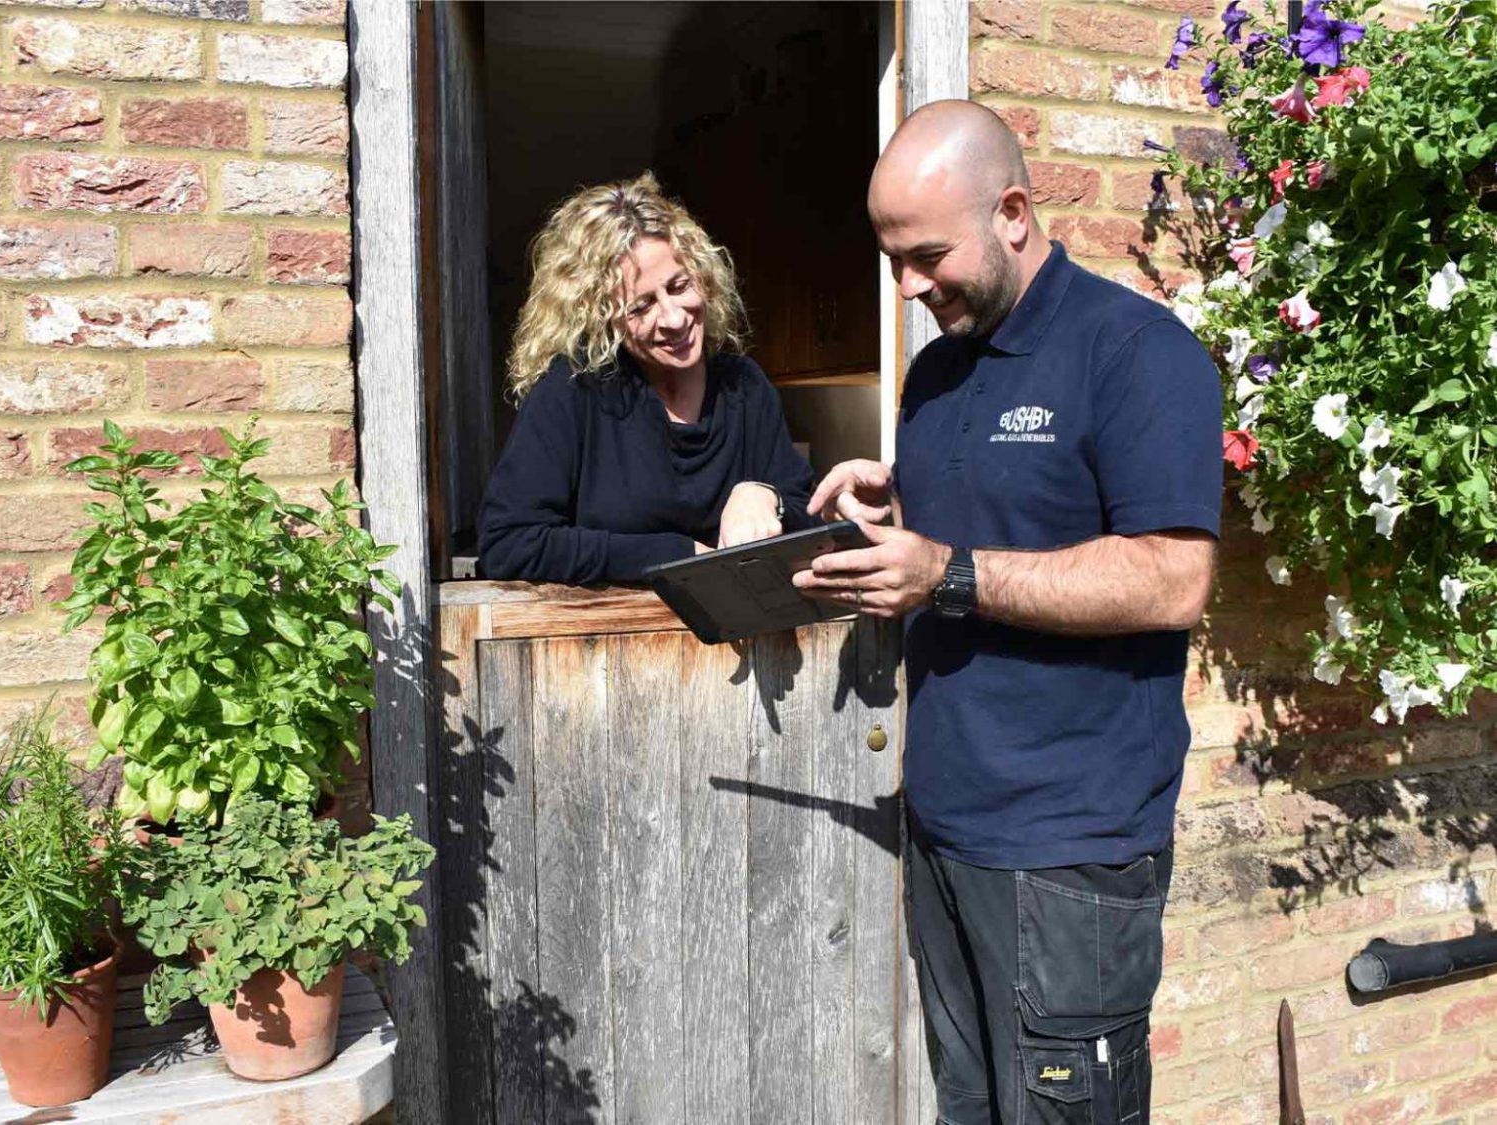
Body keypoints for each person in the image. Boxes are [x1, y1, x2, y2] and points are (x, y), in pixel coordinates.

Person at [794, 100, 1222, 1124]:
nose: (907, 286)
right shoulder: (940, 371)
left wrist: (944, 572)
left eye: (928, 255)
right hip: (946, 835)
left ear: (1016, 212)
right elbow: (1002, 512)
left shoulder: (1137, 354)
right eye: (892, 257)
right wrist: (894, 498)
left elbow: (1172, 578)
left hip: (1070, 848)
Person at [477, 172, 815, 584]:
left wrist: (765, 496)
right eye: (641, 308)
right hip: (607, 644)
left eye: (679, 286)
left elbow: (807, 518)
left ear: (703, 277)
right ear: (602, 318)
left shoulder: (743, 386)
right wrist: (677, 556)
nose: (673, 318)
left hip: (745, 643)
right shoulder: (575, 390)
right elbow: (508, 544)